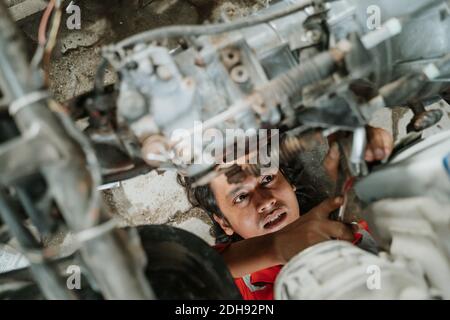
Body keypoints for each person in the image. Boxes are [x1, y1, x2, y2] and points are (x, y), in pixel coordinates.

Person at [179, 126, 393, 300]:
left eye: (267, 179)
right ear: (224, 222)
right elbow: (171, 274)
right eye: (241, 197)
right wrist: (275, 247)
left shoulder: (366, 225)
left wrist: (382, 157)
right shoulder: (230, 290)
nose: (265, 201)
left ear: (290, 183)